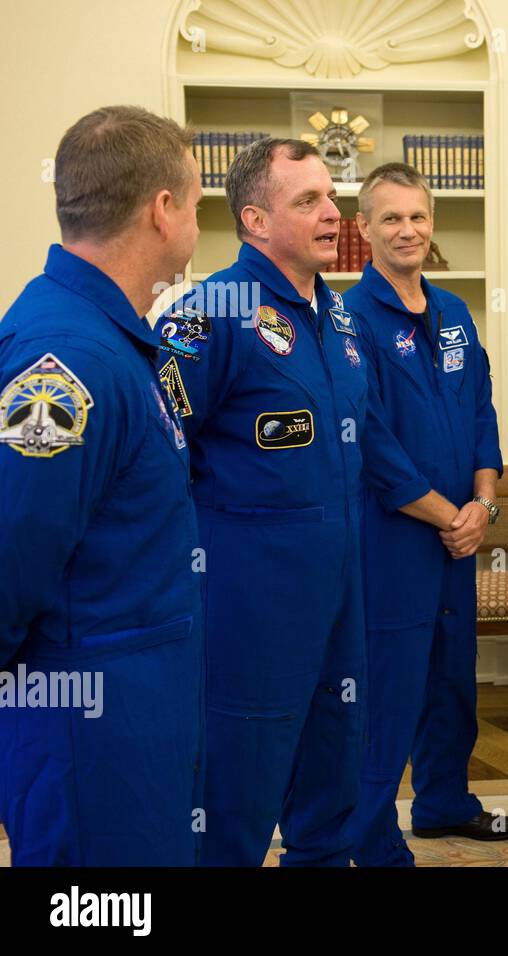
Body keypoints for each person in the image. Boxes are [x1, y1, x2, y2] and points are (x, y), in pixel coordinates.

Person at [0, 106, 203, 865]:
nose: (195, 220)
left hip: (134, 708)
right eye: (196, 202)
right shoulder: (69, 355)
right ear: (162, 210)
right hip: (86, 722)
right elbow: (14, 546)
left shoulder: (107, 334)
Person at [162, 138, 368, 866]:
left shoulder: (339, 317)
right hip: (249, 598)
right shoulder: (209, 311)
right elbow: (159, 455)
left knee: (333, 762)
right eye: (307, 200)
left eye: (331, 197)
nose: (331, 212)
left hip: (339, 589)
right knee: (236, 787)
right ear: (254, 219)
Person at [342, 162, 508, 866]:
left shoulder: (452, 313)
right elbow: (373, 441)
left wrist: (483, 501)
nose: (406, 230)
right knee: (389, 688)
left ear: (431, 220)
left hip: (459, 536)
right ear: (364, 229)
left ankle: (445, 802)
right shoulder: (348, 319)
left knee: (452, 675)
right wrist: (452, 516)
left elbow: (481, 408)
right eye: (390, 218)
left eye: (416, 216)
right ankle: (371, 836)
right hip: (396, 539)